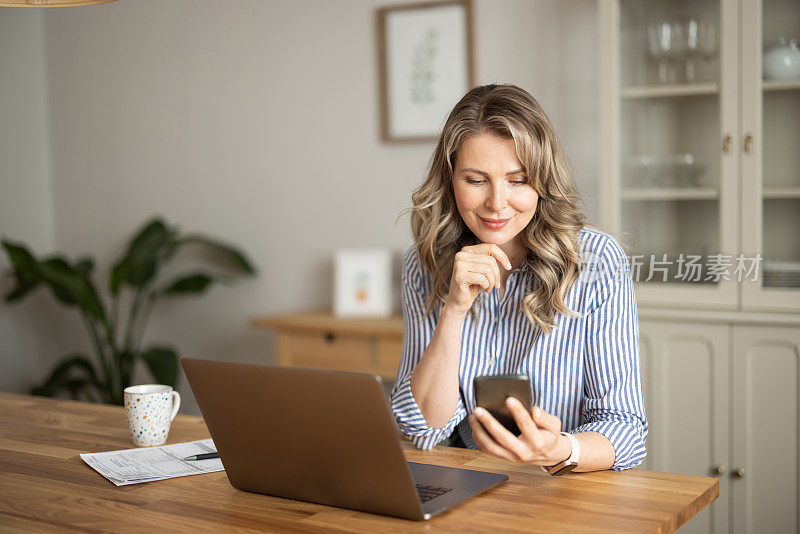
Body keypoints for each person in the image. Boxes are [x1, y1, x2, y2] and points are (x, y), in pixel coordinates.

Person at [391, 83, 647, 472]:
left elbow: (626, 429)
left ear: (542, 181)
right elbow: (422, 428)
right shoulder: (424, 264)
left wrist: (559, 449)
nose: (496, 203)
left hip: (566, 488)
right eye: (475, 180)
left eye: (518, 180)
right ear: (450, 181)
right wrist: (454, 309)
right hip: (471, 487)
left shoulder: (596, 261)